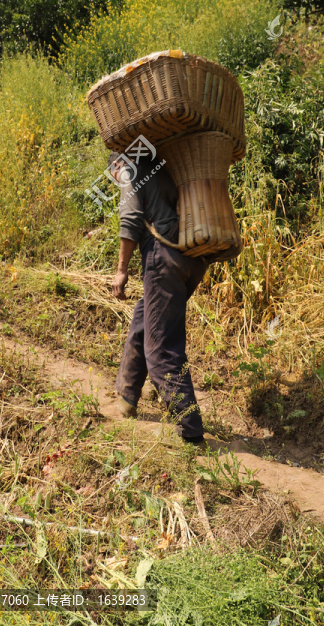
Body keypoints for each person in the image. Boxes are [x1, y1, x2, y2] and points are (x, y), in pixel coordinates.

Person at [109, 151, 208, 444]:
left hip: (163, 256)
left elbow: (130, 217)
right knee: (145, 317)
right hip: (192, 259)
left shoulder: (126, 168)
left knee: (160, 348)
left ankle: (191, 433)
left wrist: (121, 271)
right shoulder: (162, 164)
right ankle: (127, 398)